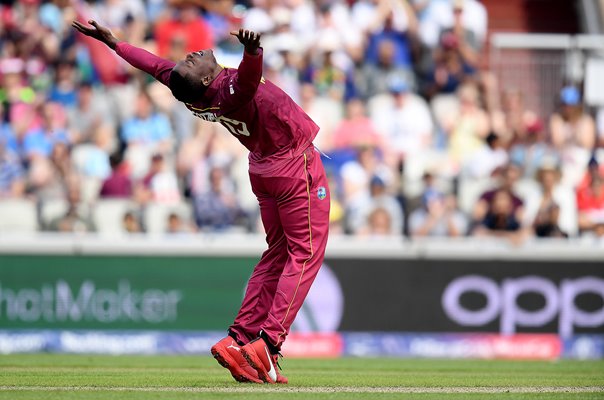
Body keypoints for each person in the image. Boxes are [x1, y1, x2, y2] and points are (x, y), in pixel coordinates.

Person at [72, 20, 330, 384]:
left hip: (263, 168)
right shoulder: (230, 92)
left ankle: (238, 339)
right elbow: (248, 79)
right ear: (206, 79)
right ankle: (269, 340)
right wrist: (252, 52)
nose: (190, 56)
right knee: (304, 252)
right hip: (291, 163)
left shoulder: (193, 91)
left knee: (277, 253)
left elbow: (153, 64)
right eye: (192, 62)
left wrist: (116, 44)